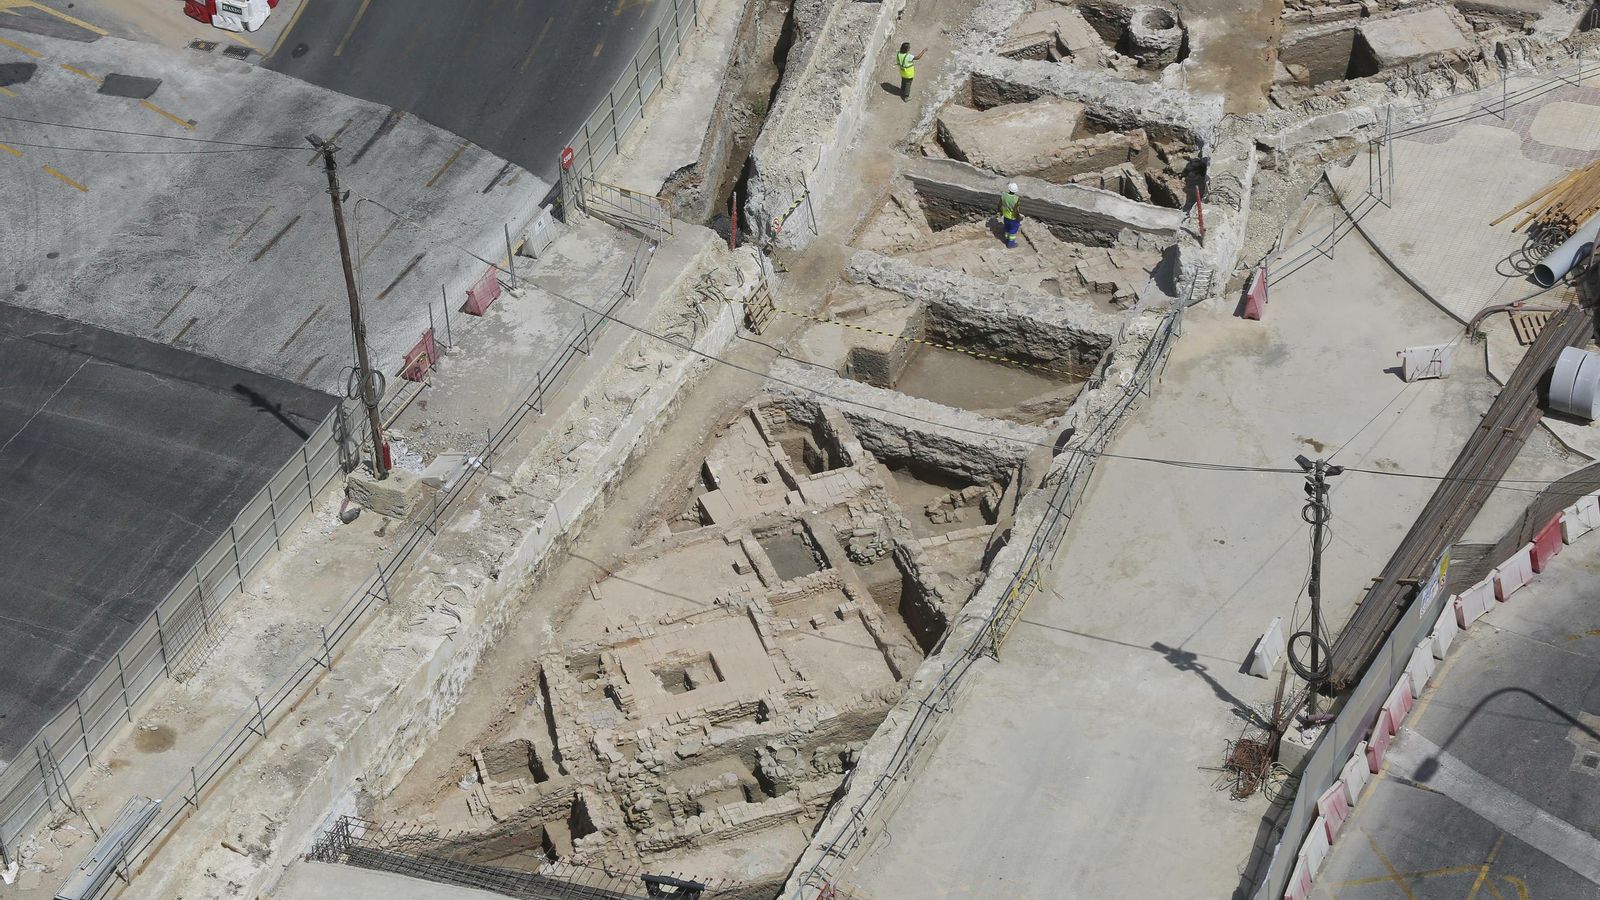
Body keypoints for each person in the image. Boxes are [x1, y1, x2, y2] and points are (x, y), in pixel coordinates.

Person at [999, 182, 1022, 248]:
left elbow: (999, 205)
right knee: (1013, 230)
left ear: (1009, 189)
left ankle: (1007, 240)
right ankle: (1010, 244)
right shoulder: (1016, 199)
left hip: (1005, 216)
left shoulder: (1003, 195)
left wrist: (1000, 212)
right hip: (1013, 217)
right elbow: (1015, 210)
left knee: (1007, 228)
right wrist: (1018, 217)